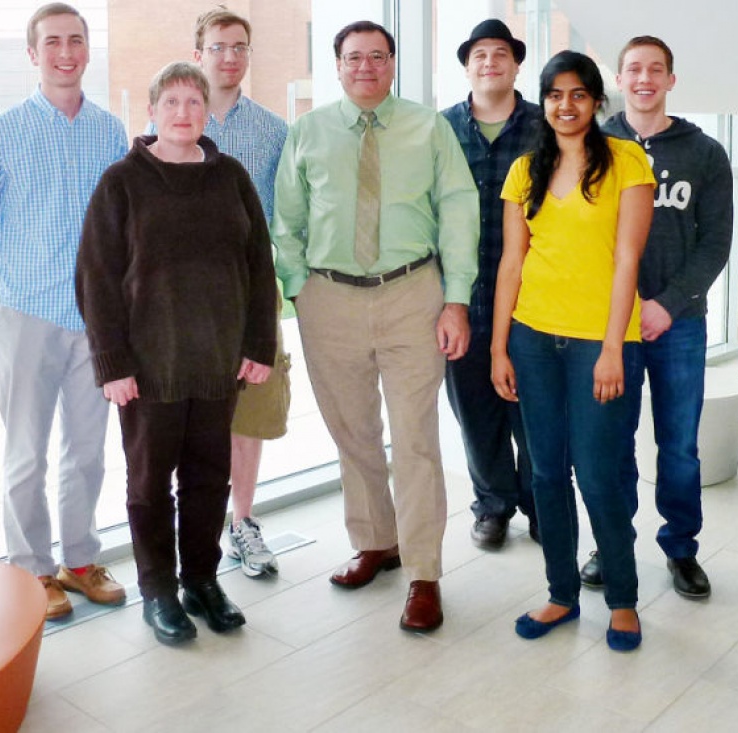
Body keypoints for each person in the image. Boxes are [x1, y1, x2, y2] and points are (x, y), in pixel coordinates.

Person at [271, 20, 479, 633]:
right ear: (337, 66)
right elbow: (287, 217)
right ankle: (376, 542)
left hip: (413, 293)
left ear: (392, 64)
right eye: (353, 57)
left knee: (414, 437)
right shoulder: (308, 131)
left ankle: (423, 572)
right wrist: (298, 287)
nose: (365, 66)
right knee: (353, 431)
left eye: (377, 56)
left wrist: (456, 298)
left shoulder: (429, 127)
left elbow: (459, 210)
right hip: (328, 298)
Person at [76, 61, 279, 645]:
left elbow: (258, 269)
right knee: (147, 484)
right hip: (149, 370)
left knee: (207, 480)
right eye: (172, 103)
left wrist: (258, 344)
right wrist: (113, 366)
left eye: (194, 101)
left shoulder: (231, 177)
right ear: (151, 112)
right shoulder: (123, 181)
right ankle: (159, 589)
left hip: (218, 364)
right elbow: (96, 278)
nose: (184, 112)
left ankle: (201, 581)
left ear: (207, 111)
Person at [0, 2, 128, 621]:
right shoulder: (0, 133)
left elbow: (120, 225)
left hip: (94, 321)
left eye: (76, 40)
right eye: (52, 42)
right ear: (33, 53)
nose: (66, 52)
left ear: (87, 50)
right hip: (27, 315)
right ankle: (32, 570)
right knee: (26, 451)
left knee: (87, 450)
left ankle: (79, 561)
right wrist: (11, 287)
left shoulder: (109, 131)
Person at [493, 49, 655, 652]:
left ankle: (622, 600)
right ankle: (561, 594)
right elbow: (512, 262)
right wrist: (498, 348)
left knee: (597, 472)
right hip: (533, 337)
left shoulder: (627, 162)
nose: (566, 105)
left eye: (578, 94)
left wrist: (614, 346)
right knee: (544, 471)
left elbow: (627, 260)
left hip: (600, 343)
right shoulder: (523, 171)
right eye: (555, 94)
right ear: (543, 101)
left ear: (595, 100)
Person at [588, 35, 733, 599]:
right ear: (619, 81)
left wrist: (667, 304)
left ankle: (681, 549)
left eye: (656, 69)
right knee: (611, 440)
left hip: (680, 324)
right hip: (608, 326)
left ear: (671, 80)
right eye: (633, 69)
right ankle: (612, 543)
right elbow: (582, 238)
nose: (644, 78)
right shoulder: (593, 146)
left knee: (678, 445)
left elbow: (716, 240)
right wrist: (626, 308)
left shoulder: (705, 153)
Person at [170, 5, 291, 579]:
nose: (229, 57)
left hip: (250, 296)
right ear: (198, 55)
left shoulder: (273, 131)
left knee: (249, 413)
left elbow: (288, 217)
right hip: (183, 304)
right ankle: (191, 528)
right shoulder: (173, 125)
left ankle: (242, 523)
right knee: (186, 412)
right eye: (218, 47)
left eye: (239, 46)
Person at [440, 19, 540, 550]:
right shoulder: (441, 128)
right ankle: (493, 506)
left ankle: (541, 503)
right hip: (462, 300)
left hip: (534, 302)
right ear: (467, 66)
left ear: (516, 64)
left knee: (535, 412)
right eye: (479, 54)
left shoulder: (545, 127)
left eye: (500, 53)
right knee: (476, 413)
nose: (489, 62)